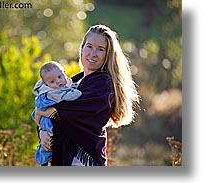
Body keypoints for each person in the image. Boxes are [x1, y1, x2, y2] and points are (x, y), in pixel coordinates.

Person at [35, 24, 139, 166]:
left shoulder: (103, 84)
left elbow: (69, 113)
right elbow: (50, 112)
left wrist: (41, 112)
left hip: (83, 161)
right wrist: (42, 132)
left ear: (107, 55)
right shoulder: (73, 82)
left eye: (100, 50)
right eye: (89, 46)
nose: (93, 53)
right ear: (82, 48)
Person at [31, 61, 82, 165]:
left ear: (64, 72)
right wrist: (77, 92)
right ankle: (43, 157)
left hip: (49, 119)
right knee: (50, 140)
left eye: (60, 77)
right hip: (49, 122)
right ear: (46, 84)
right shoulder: (53, 92)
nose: (58, 82)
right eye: (52, 82)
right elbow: (69, 96)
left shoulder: (67, 83)